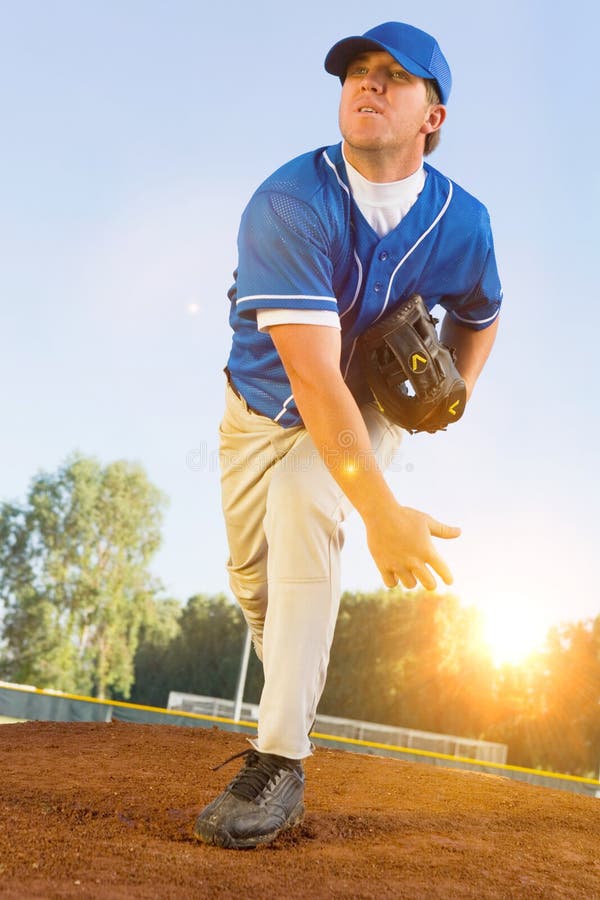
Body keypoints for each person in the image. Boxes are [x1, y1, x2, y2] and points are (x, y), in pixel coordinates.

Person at [194, 21, 502, 849]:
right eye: (357, 72)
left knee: (306, 497)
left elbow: (483, 312)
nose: (368, 84)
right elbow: (310, 379)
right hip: (260, 409)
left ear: (431, 116)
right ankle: (292, 680)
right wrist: (383, 514)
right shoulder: (290, 203)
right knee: (257, 589)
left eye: (395, 77)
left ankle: (279, 760)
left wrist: (458, 392)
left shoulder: (464, 222)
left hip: (361, 409)